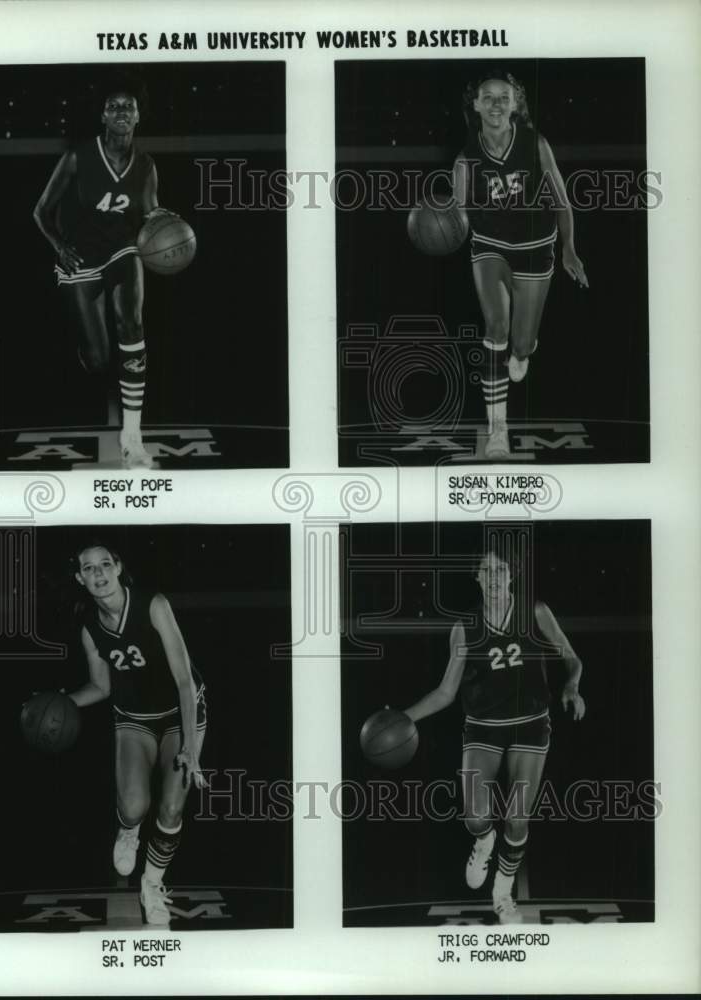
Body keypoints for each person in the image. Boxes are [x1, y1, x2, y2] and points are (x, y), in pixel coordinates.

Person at [404, 536, 585, 924]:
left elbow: (572, 658)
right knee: (474, 817)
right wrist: (406, 717)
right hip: (484, 726)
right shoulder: (465, 628)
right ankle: (484, 841)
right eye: (486, 571)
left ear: (512, 574)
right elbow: (445, 692)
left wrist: (571, 686)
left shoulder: (535, 612)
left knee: (518, 817)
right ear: (476, 577)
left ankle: (503, 892)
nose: (493, 577)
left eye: (500, 569)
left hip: (530, 725)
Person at [67, 541, 207, 926]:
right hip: (133, 717)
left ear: (118, 567)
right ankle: (128, 831)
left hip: (181, 713)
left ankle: (152, 883)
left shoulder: (153, 604)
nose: (99, 573)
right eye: (89, 568)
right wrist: (62, 704)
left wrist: (191, 749)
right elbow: (101, 687)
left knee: (173, 807)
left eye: (105, 564)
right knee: (133, 807)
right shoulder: (90, 627)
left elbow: (183, 680)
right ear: (80, 578)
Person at [452, 71, 589, 459]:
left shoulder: (535, 144)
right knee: (495, 326)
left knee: (522, 343)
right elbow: (458, 222)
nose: (495, 104)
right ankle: (498, 429)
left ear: (515, 104)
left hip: (535, 246)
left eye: (503, 97)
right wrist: (439, 226)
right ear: (475, 105)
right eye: (487, 97)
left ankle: (523, 352)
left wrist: (569, 249)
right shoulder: (465, 161)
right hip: (490, 245)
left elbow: (562, 201)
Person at [33, 78, 169, 469]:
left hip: (123, 249)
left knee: (132, 323)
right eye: (114, 106)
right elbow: (41, 211)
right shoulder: (78, 157)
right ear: (103, 116)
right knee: (97, 359)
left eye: (129, 106)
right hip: (80, 258)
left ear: (139, 116)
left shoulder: (146, 165)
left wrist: (165, 224)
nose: (122, 111)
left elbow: (149, 213)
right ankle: (89, 351)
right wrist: (60, 246)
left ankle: (133, 435)